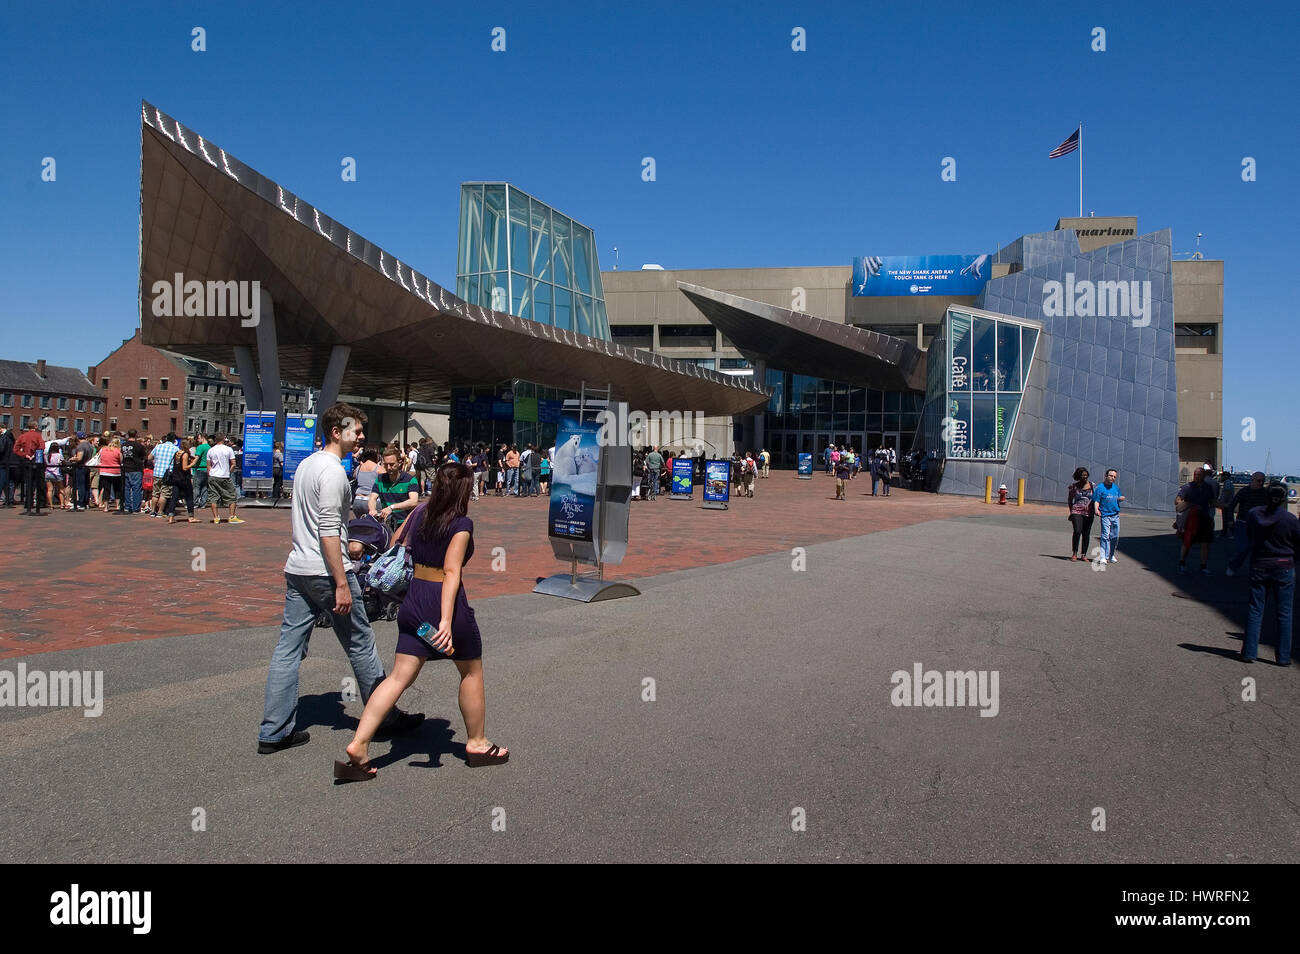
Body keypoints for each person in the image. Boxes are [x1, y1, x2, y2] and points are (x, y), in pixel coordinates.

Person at [259, 403, 422, 754]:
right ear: (337, 432)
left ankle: (273, 731)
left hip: (297, 569)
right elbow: (330, 532)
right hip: (325, 571)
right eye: (356, 431)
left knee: (288, 650)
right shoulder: (332, 473)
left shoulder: (306, 465)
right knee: (361, 645)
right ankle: (383, 718)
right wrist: (342, 582)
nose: (362, 436)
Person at [335, 461, 509, 780]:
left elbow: (396, 544)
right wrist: (445, 620)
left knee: (398, 677)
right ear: (463, 491)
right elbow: (452, 571)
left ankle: (359, 743)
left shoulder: (420, 514)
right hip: (443, 600)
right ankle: (477, 743)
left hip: (414, 598)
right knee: (470, 669)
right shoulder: (461, 523)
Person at [1239, 482, 1298, 666]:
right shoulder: (1290, 519)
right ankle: (1283, 656)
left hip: (1260, 564)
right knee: (1284, 612)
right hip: (1284, 565)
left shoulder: (1254, 515)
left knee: (1255, 609)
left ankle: (1249, 652)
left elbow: (1250, 536)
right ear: (1284, 499)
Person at [1176, 465, 1217, 575]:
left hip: (1204, 517)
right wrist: (1188, 505)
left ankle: (1203, 566)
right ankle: (1182, 562)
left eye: (1199, 475)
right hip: (1191, 518)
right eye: (1195, 475)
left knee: (1205, 542)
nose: (1196, 477)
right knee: (1187, 542)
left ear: (1203, 476)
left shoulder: (1208, 488)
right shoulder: (1188, 487)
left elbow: (1212, 502)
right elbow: (1178, 500)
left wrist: (1224, 506)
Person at [1227, 472, 1270, 577]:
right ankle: (1233, 565)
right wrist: (1230, 520)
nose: (1260, 483)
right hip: (1243, 523)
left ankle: (1256, 571)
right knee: (1243, 548)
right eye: (1258, 481)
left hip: (1259, 525)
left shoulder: (1265, 493)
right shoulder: (1244, 491)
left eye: (1262, 481)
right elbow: (1232, 505)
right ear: (1252, 480)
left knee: (1258, 550)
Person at [368, 447, 420, 528]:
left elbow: (413, 501)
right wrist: (372, 509)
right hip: (387, 522)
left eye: (392, 464)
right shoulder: (380, 479)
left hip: (405, 522)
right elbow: (373, 498)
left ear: (400, 462)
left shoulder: (410, 480)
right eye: (385, 464)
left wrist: (392, 508)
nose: (388, 468)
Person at [205, 434, 242, 524]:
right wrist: (229, 472)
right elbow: (233, 463)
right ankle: (232, 516)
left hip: (213, 475)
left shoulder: (211, 450)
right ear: (223, 440)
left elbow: (208, 465)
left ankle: (216, 518)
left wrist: (210, 475)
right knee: (232, 496)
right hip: (224, 475)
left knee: (213, 497)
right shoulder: (228, 449)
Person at [1091, 469, 1125, 564]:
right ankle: (1103, 556)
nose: (1113, 478)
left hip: (1115, 515)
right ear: (1106, 475)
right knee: (1105, 535)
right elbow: (1096, 501)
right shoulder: (1100, 488)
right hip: (1105, 515)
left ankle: (1111, 555)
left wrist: (1120, 499)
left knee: (1115, 536)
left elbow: (1117, 498)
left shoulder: (1116, 488)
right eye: (1111, 476)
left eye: (1115, 477)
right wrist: (1096, 509)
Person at [165, 438, 200, 524]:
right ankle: (191, 517)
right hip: (183, 478)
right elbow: (184, 467)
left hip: (175, 478)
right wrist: (193, 463)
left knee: (174, 497)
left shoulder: (177, 453)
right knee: (189, 497)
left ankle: (171, 516)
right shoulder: (185, 454)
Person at [1067, 467, 1096, 561]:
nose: (1085, 477)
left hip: (1089, 512)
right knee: (1077, 531)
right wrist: (1071, 511)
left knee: (1086, 533)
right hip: (1077, 511)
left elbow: (1096, 497)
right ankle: (1074, 552)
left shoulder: (1092, 485)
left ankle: (1083, 554)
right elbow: (1070, 499)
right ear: (1079, 476)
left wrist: (1091, 504)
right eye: (1083, 475)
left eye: (1086, 475)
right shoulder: (1074, 486)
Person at [148, 434, 178, 517]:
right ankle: (160, 511)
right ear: (174, 440)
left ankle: (153, 510)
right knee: (164, 494)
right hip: (167, 474)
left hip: (157, 472)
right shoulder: (175, 449)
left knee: (155, 493)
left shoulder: (158, 447)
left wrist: (157, 460)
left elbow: (149, 457)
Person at [120, 429, 147, 514]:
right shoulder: (139, 446)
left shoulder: (123, 445)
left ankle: (127, 507)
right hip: (136, 469)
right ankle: (136, 508)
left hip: (126, 468)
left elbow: (121, 457)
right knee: (136, 489)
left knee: (127, 488)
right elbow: (143, 457)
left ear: (128, 435)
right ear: (136, 435)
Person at [98, 437, 123, 512]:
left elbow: (100, 459)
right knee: (117, 489)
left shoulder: (103, 449)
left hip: (104, 471)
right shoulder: (118, 450)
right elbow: (121, 461)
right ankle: (118, 506)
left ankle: (106, 507)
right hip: (116, 472)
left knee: (106, 489)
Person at [191, 434, 211, 508]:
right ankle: (203, 503)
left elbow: (196, 458)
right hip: (207, 469)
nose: (197, 440)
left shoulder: (200, 447)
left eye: (199, 438)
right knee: (205, 487)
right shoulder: (209, 447)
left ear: (203, 438)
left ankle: (195, 503)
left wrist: (190, 465)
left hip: (199, 468)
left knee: (196, 487)